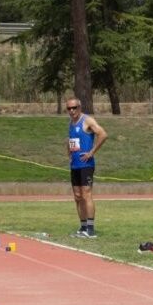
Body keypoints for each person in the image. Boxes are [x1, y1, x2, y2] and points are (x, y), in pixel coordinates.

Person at [66, 97, 108, 238]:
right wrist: (69, 154)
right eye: (69, 108)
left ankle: (90, 229)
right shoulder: (71, 123)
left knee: (86, 195)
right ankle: (82, 226)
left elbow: (103, 134)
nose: (72, 111)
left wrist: (91, 152)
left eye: (74, 108)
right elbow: (70, 140)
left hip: (86, 165)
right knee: (77, 196)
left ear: (79, 107)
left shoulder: (87, 120)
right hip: (75, 165)